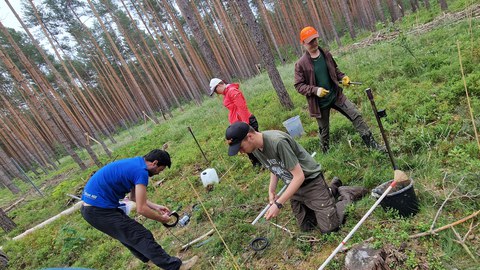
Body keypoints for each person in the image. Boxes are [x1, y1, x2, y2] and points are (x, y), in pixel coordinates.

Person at [225, 121, 367, 232]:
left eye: (240, 147)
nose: (241, 152)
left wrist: (279, 204)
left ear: (249, 137)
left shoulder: (277, 142)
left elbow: (299, 176)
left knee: (329, 228)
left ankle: (346, 193)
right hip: (294, 187)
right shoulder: (255, 148)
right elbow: (273, 167)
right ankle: (330, 190)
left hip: (310, 181)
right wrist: (272, 191)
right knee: (307, 226)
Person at [81, 149, 198, 270]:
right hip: (99, 211)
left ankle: (152, 259)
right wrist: (161, 219)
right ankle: (176, 267)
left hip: (92, 209)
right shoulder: (141, 172)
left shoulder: (136, 163)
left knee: (129, 236)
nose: (159, 173)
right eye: (160, 169)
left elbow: (133, 197)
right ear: (154, 163)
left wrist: (156, 207)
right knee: (140, 235)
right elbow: (141, 209)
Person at [294, 26, 383, 153]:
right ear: (303, 43)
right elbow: (298, 85)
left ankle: (371, 144)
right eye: (310, 42)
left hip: (336, 95)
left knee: (355, 115)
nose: (314, 43)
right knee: (324, 131)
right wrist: (315, 90)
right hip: (320, 104)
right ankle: (325, 152)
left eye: (315, 39)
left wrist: (344, 77)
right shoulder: (301, 64)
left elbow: (335, 71)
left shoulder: (326, 54)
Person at [209, 78, 261, 166]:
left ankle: (263, 162)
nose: (216, 93)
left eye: (215, 90)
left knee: (253, 143)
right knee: (245, 145)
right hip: (240, 124)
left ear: (219, 85)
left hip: (246, 123)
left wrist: (245, 125)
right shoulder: (227, 93)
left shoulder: (232, 91)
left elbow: (242, 107)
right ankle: (257, 164)